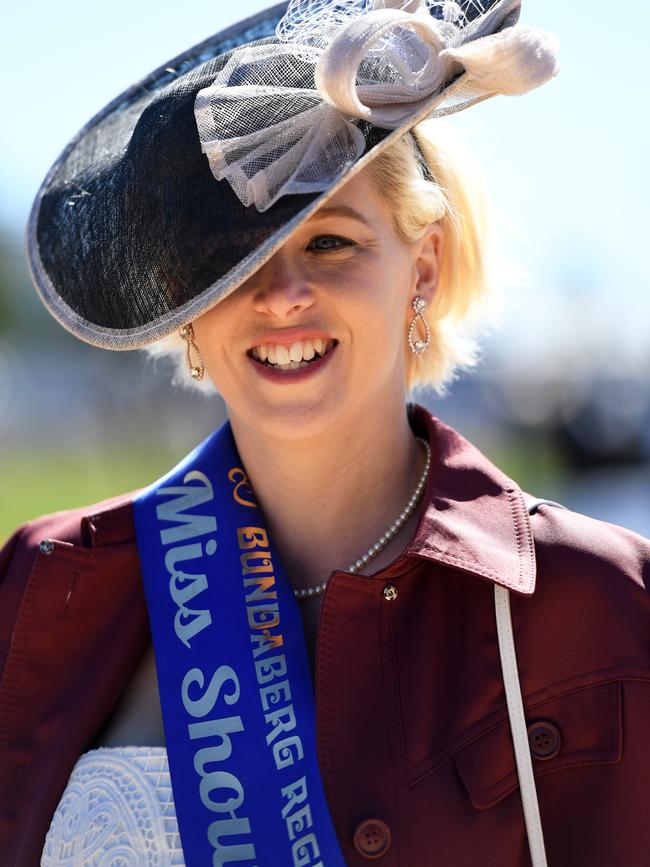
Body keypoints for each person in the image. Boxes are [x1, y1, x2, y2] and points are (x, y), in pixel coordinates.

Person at [2, 1, 649, 865]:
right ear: (185, 304)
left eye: (333, 242)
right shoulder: (44, 588)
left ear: (421, 266)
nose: (281, 296)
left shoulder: (602, 601)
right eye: (235, 262)